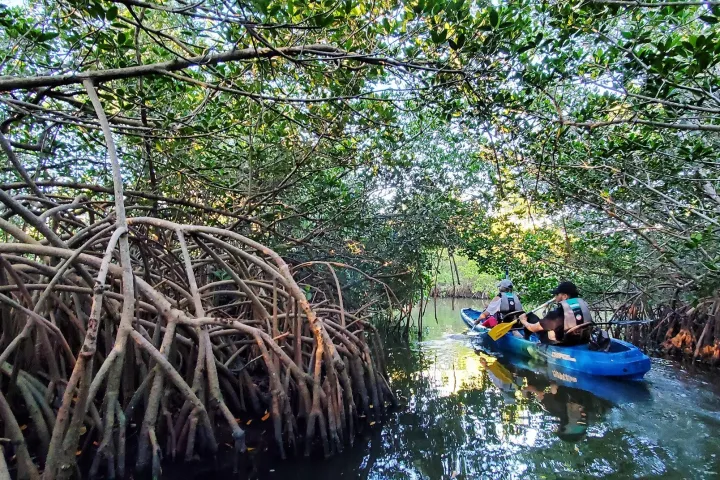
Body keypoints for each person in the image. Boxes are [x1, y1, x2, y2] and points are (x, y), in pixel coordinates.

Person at [518, 281, 592, 346]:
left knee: (530, 317)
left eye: (557, 294)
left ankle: (525, 340)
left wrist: (523, 321)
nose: (555, 297)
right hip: (581, 341)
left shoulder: (556, 314)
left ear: (565, 296)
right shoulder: (583, 307)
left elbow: (532, 328)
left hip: (563, 344)